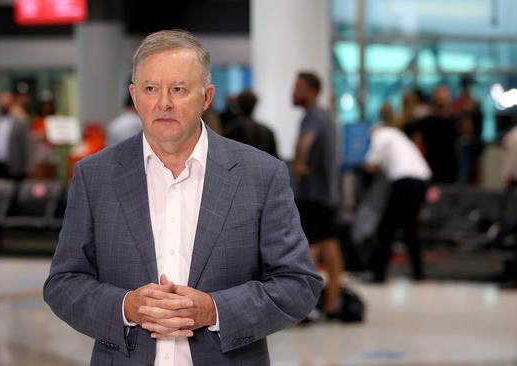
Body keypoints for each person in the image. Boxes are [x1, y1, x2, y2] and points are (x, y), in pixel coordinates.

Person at [43, 30, 323, 365]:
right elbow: (63, 283)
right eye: (150, 89)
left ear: (207, 97)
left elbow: (298, 285)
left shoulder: (261, 175)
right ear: (134, 96)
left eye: (178, 89)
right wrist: (126, 307)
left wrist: (215, 310)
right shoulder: (95, 176)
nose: (164, 103)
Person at [292, 71, 343, 319]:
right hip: (327, 194)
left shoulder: (311, 116)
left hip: (312, 194)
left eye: (298, 87)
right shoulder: (326, 116)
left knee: (308, 249)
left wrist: (299, 165)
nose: (293, 91)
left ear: (311, 90)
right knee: (330, 245)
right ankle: (332, 302)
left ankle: (307, 307)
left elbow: (305, 142)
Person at [364, 103, 432, 282]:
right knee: (410, 229)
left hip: (405, 181)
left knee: (387, 228)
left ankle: (378, 274)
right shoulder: (398, 135)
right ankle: (419, 274)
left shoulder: (379, 135)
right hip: (423, 179)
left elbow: (370, 165)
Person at [0, 90, 31, 180]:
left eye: (7, 102)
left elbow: (26, 145)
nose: (5, 104)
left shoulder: (20, 121)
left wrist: (27, 167)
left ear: (12, 103)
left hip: (14, 164)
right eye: (2, 101)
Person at [224, 90, 278, 158]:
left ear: (238, 104)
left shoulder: (232, 129)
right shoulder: (267, 131)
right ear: (254, 105)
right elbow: (274, 159)